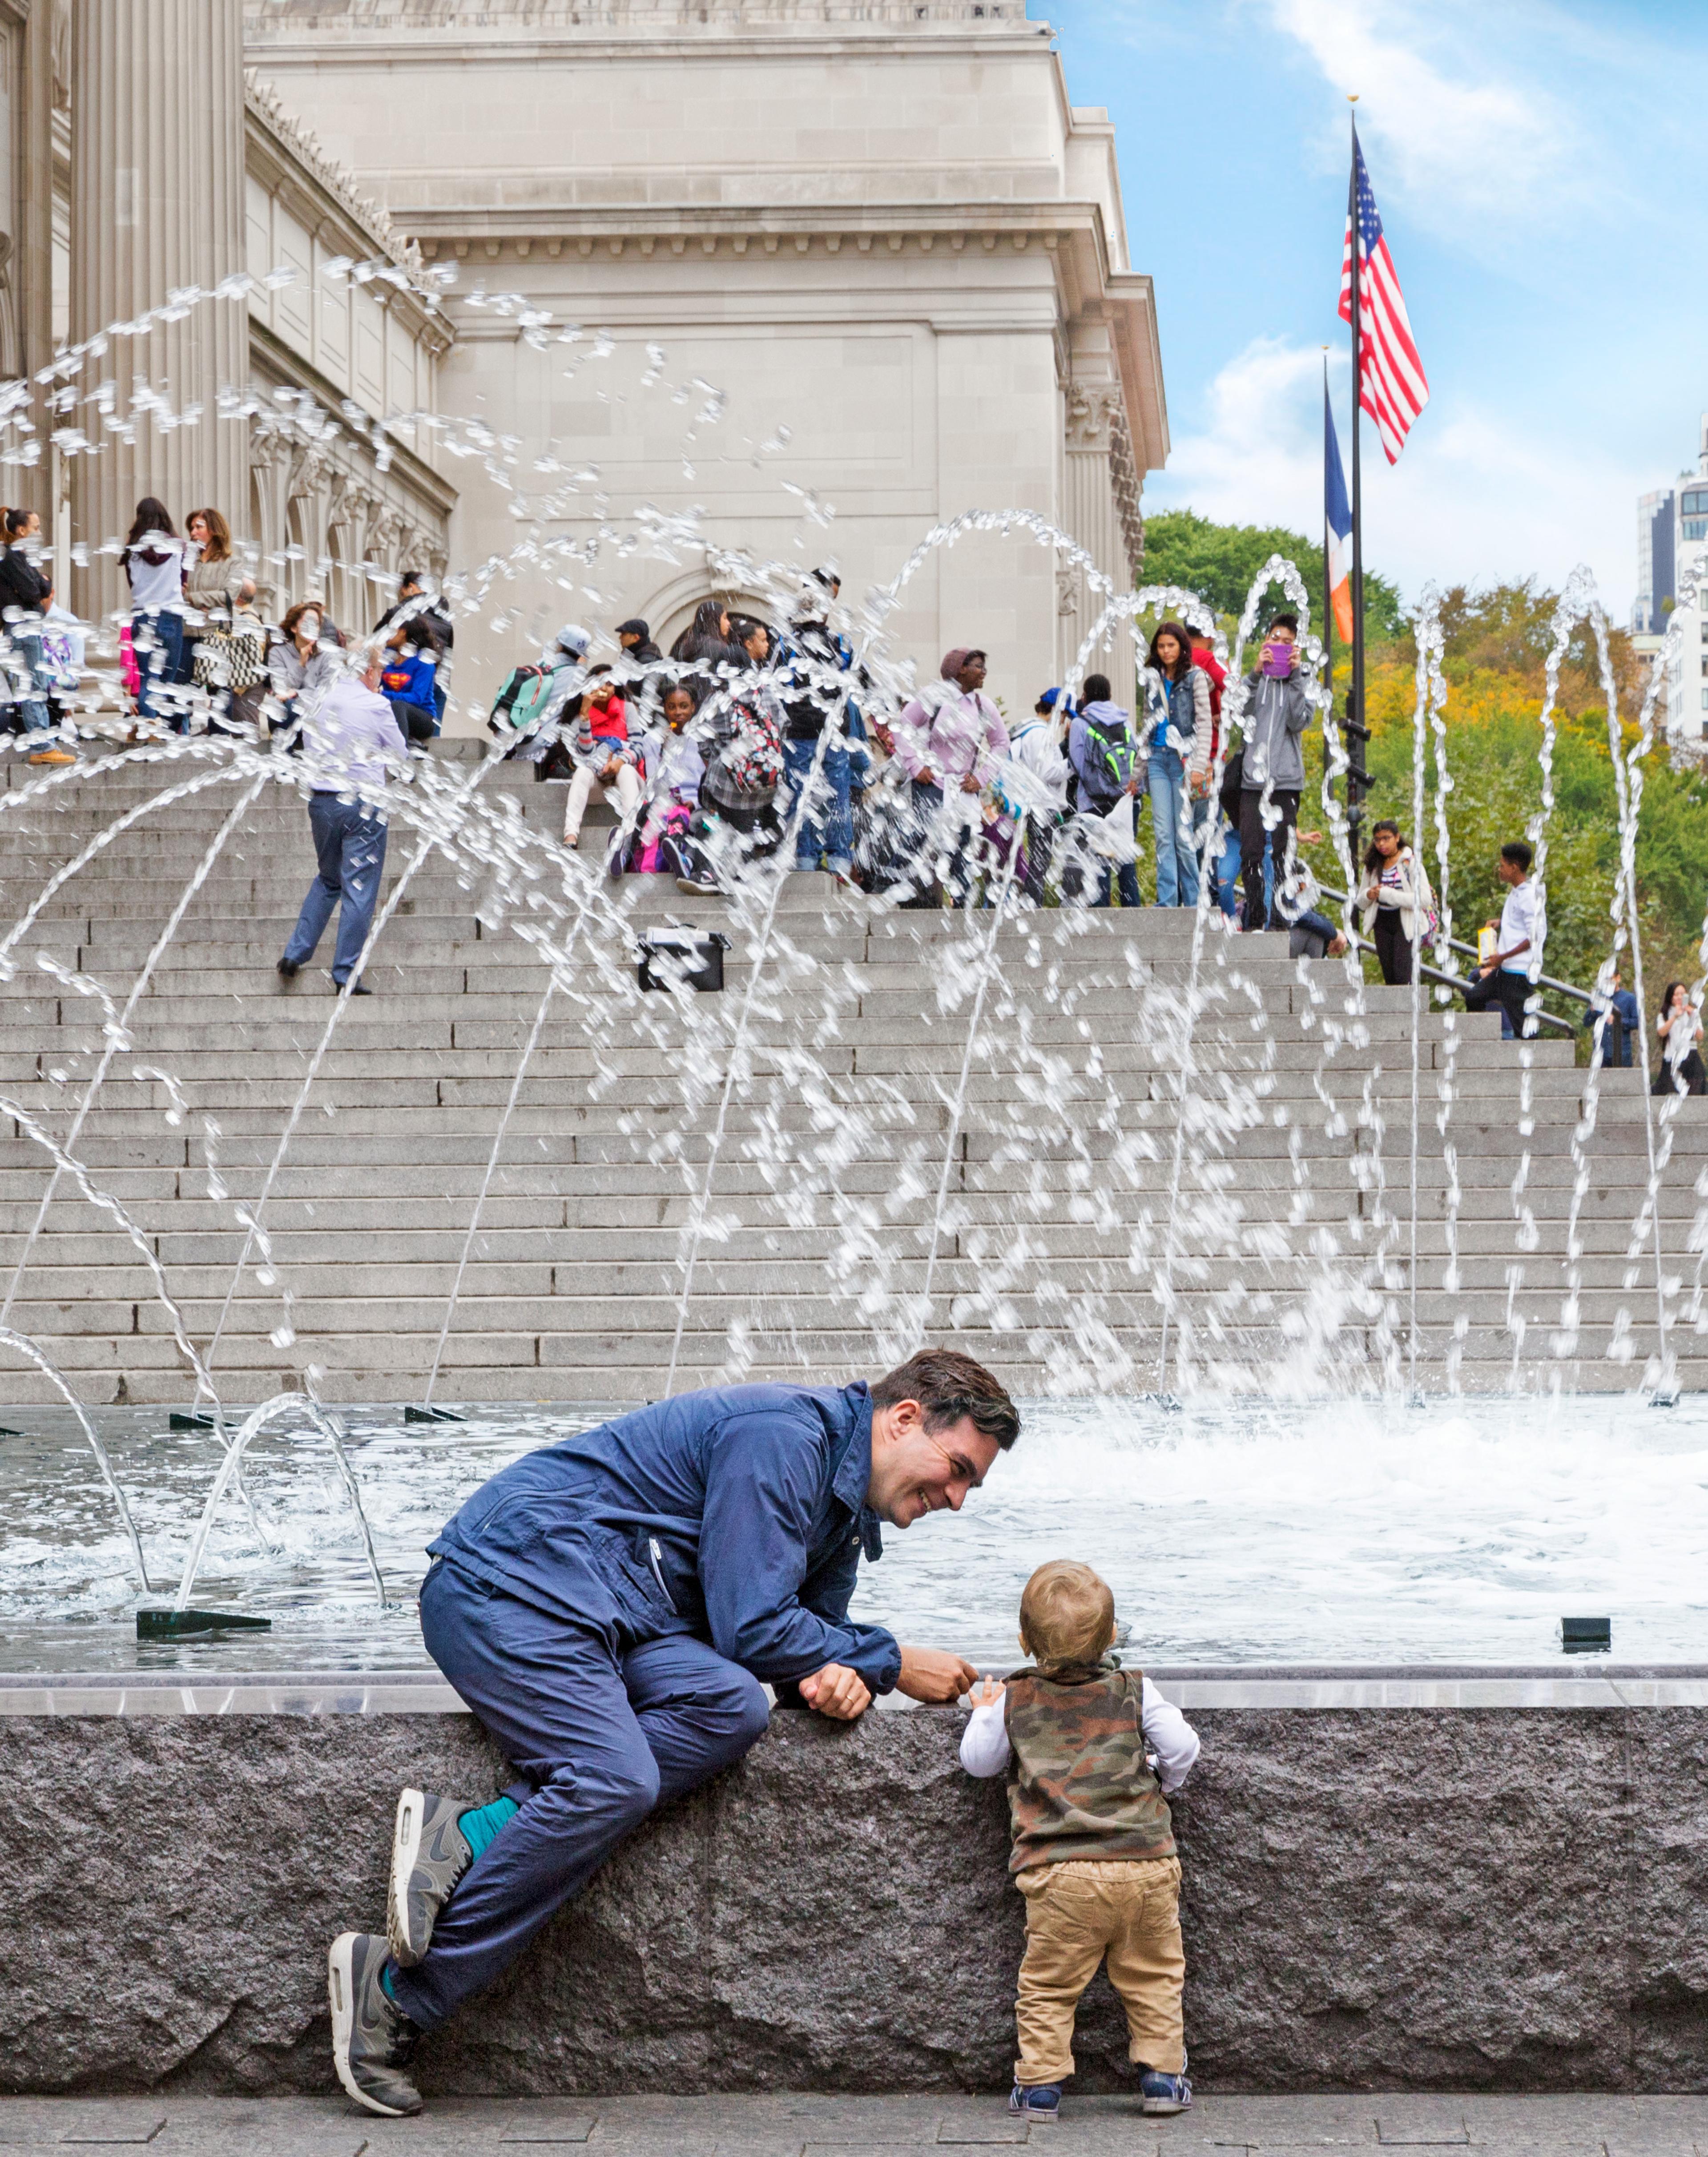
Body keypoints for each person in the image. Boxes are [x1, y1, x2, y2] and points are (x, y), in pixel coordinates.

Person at [326, 1348, 1023, 2119]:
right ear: (902, 1419)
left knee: (732, 1705)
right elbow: (753, 1620)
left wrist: (832, 1676)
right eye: (958, 1467)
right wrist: (891, 1660)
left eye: (971, 1484)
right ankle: (395, 1988)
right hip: (514, 1581)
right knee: (613, 1776)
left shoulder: (842, 1506)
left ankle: (475, 1828)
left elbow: (802, 1640)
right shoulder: (782, 1437)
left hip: (616, 1616)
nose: (957, 1497)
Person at [959, 1558, 1198, 2124]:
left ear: (1023, 1642)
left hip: (1060, 1875)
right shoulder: (1135, 1689)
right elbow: (1183, 1747)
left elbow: (978, 1763)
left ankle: (1040, 2088)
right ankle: (1163, 2078)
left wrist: (985, 1712)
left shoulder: (1015, 1698)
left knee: (1048, 1985)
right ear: (1113, 1635)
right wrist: (1164, 1780)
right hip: (1145, 1865)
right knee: (1154, 1976)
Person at [277, 647, 408, 996]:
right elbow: (401, 757)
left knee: (329, 878)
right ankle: (345, 972)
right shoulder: (377, 705)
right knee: (359, 888)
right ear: (369, 672)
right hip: (364, 804)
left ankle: (294, 954)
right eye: (379, 670)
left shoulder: (317, 700)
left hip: (321, 802)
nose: (380, 677)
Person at [889, 649, 1009, 907]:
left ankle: (962, 906)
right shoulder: (933, 698)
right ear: (961, 669)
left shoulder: (982, 706)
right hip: (930, 783)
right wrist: (915, 765)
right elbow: (902, 726)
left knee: (962, 849)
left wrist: (981, 777)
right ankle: (887, 891)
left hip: (964, 789)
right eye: (979, 667)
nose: (984, 672)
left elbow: (1001, 743)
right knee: (919, 838)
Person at [779, 568, 859, 883]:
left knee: (802, 794)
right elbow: (856, 680)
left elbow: (778, 687)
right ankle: (840, 859)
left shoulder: (787, 647)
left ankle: (805, 859)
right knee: (838, 793)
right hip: (834, 734)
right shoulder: (841, 643)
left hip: (799, 735)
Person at [1238, 613, 1313, 931]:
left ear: (1296, 648)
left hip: (1286, 780)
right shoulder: (1256, 679)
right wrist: (1255, 674)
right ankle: (1255, 919)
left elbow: (1300, 721)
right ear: (1266, 640)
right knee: (1252, 852)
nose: (1280, 646)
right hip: (1252, 780)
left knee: (1284, 853)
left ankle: (1281, 921)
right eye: (1275, 639)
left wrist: (1296, 676)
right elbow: (1238, 712)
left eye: (1288, 643)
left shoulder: (1304, 678)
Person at [1141, 623, 1212, 908]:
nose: (1166, 651)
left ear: (1182, 646)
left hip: (1184, 761)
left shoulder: (1195, 678)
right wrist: (1138, 772)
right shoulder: (1152, 680)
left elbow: (1205, 725)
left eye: (1171, 645)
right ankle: (1168, 901)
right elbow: (1146, 726)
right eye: (1161, 646)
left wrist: (1198, 766)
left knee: (1183, 836)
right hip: (1158, 759)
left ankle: (1194, 902)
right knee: (1163, 835)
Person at [1063, 673, 1140, 909]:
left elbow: (1077, 764)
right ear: (1110, 695)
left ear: (1085, 697)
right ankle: (1132, 912)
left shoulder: (1080, 723)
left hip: (1094, 802)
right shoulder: (1124, 721)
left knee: (1099, 861)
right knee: (1126, 859)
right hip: (1127, 800)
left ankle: (1102, 914)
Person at [0, 506, 63, 764]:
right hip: (24, 627)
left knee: (33, 684)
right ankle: (42, 746)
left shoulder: (21, 558)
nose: (39, 532)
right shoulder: (13, 558)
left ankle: (43, 742)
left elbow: (45, 586)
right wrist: (40, 585)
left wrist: (40, 585)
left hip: (27, 626)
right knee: (34, 686)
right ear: (21, 530)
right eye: (35, 527)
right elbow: (36, 591)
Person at [120, 498, 188, 731]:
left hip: (142, 617)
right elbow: (183, 582)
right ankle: (155, 723)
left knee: (148, 676)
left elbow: (133, 584)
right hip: (170, 616)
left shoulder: (133, 552)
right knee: (166, 678)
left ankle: (147, 723)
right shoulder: (179, 547)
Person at [1463, 842, 1542, 1040]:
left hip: (1518, 972)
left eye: (1503, 865)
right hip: (1505, 970)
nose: (1500, 870)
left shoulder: (1530, 896)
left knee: (1522, 1027)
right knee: (1474, 997)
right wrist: (1502, 923)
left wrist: (1503, 956)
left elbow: (1535, 935)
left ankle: (1537, 1062)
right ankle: (1483, 1042)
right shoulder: (1516, 892)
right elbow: (1520, 924)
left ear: (1514, 867)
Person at [561, 667, 642, 853]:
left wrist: (619, 763)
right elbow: (584, 754)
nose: (604, 688)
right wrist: (584, 717)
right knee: (581, 772)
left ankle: (631, 834)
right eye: (598, 683)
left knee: (628, 770)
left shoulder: (627, 709)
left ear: (615, 687)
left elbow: (638, 747)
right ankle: (570, 834)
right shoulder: (581, 714)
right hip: (598, 784)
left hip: (625, 783)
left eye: (609, 683)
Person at [1001, 690, 1072, 901]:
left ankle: (1029, 903)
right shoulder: (1041, 734)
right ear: (1056, 711)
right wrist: (1073, 764)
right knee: (1041, 860)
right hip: (1041, 804)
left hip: (1029, 803)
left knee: (1035, 858)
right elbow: (1047, 773)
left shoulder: (1027, 730)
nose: (1063, 721)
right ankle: (1032, 905)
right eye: (1063, 715)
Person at [632, 680, 705, 876]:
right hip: (664, 802)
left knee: (700, 821)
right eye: (671, 707)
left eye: (684, 706)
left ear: (693, 708)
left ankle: (684, 860)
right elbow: (654, 785)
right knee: (650, 815)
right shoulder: (653, 740)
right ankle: (627, 853)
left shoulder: (704, 740)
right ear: (664, 708)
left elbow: (707, 782)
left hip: (695, 804)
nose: (678, 713)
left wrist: (696, 803)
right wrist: (663, 751)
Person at [374, 571, 455, 731]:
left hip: (417, 672)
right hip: (438, 678)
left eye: (402, 593)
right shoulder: (443, 614)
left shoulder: (403, 612)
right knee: (433, 739)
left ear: (410, 588)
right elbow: (448, 650)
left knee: (404, 710)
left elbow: (377, 633)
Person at [1358, 820, 1434, 985]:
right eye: (1377, 840)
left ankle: (1409, 1009)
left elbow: (1424, 899)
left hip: (1405, 922)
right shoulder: (1372, 865)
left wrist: (1387, 894)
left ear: (1397, 838)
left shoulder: (1411, 863)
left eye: (1386, 838)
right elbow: (1361, 903)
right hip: (1381, 921)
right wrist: (1369, 895)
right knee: (1390, 975)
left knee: (1402, 975)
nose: (1381, 844)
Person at [181, 508, 243, 694]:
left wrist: (192, 598)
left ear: (215, 530)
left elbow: (228, 596)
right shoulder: (187, 562)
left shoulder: (233, 562)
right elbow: (178, 594)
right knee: (179, 697)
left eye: (199, 527)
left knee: (220, 698)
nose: (193, 533)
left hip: (217, 635)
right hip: (187, 635)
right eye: (191, 529)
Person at [267, 600, 338, 742]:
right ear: (294, 628)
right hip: (287, 718)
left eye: (316, 624)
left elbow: (325, 694)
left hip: (315, 717)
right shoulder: (277, 653)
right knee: (284, 707)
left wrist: (297, 693)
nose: (313, 628)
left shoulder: (327, 656)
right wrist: (301, 664)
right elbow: (281, 689)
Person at [378, 621, 442, 744]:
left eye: (392, 630)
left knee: (398, 706)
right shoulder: (387, 658)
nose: (386, 635)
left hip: (422, 719)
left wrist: (382, 694)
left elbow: (417, 698)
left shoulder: (423, 662)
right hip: (390, 713)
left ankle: (401, 754)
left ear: (403, 632)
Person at [1653, 983, 1707, 1097]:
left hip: (1691, 1057)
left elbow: (1700, 1036)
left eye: (1683, 994)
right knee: (1670, 1092)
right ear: (1671, 997)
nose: (1679, 997)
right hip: (1672, 1058)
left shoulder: (1693, 1012)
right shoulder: (1665, 1014)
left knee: (1695, 1091)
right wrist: (1675, 1017)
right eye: (1676, 994)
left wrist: (1692, 1016)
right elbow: (1662, 1032)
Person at [1585, 967, 1640, 1070]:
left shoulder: (1630, 999)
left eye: (1611, 979)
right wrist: (1592, 1011)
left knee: (1623, 1084)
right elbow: (1586, 1023)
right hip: (1601, 1052)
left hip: (1622, 1053)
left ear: (1618, 978)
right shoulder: (1599, 998)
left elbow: (1637, 1023)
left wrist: (1618, 1021)